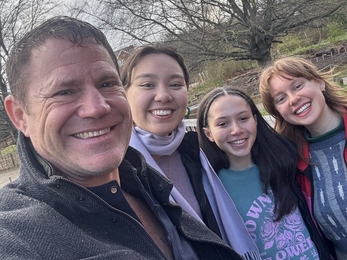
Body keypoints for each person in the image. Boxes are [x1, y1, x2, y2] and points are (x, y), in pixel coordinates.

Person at [0, 16, 244, 260]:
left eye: (106, 83)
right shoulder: (16, 236)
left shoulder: (146, 179)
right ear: (20, 116)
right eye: (64, 92)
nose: (96, 107)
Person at [120, 45, 262, 259]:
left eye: (175, 84)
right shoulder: (117, 171)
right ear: (124, 94)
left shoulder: (196, 152)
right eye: (148, 84)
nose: (163, 95)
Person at [197, 86, 335, 259]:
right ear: (208, 133)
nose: (236, 130)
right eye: (223, 124)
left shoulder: (285, 163)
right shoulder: (209, 190)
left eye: (243, 118)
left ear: (255, 120)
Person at [259, 56, 347, 259]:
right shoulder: (291, 162)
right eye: (281, 98)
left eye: (297, 86)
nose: (293, 99)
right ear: (279, 113)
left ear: (319, 82)